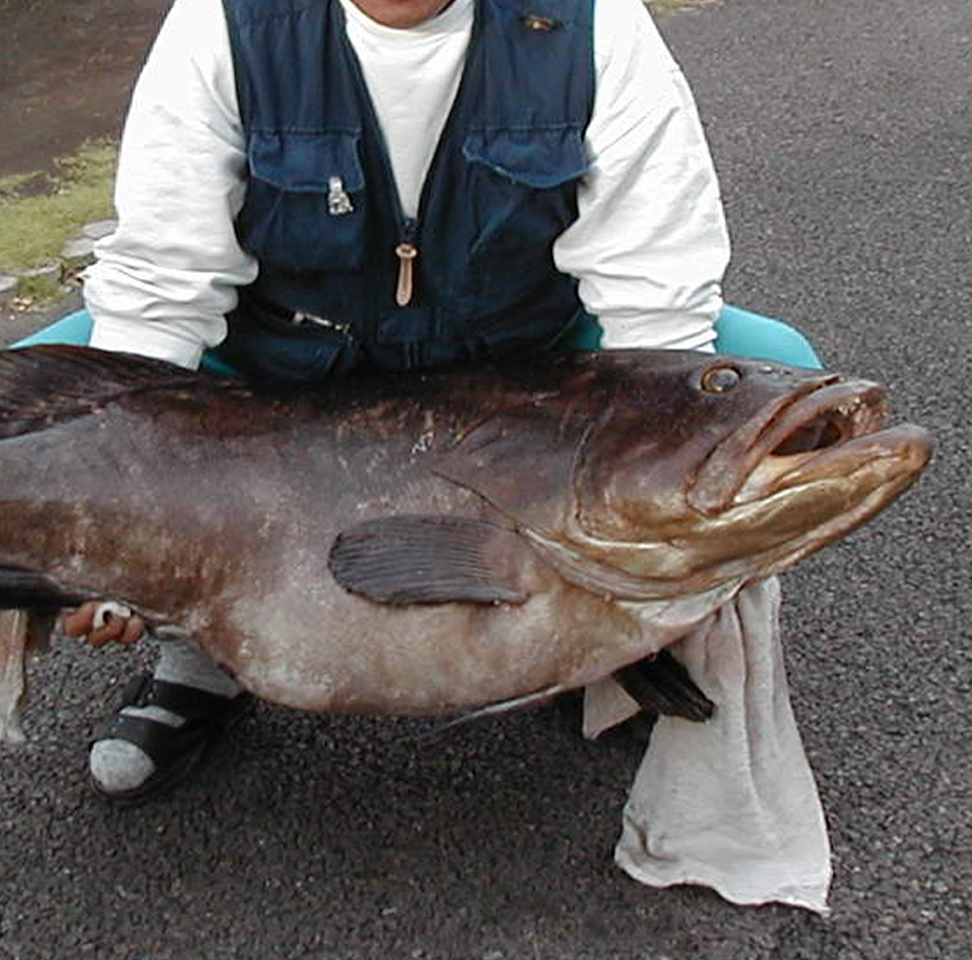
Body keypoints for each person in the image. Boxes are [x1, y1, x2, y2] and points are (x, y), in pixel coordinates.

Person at [57, 0, 833, 912]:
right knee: (47, 403)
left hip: (522, 363)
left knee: (775, 380)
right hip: (287, 358)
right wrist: (104, 527)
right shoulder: (224, 23)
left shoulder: (593, 23)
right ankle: (204, 643)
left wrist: (678, 505)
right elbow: (158, 289)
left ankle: (611, 629)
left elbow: (657, 305)